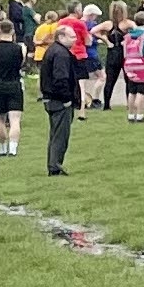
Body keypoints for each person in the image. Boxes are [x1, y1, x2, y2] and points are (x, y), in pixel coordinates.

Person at [36, 10, 89, 175]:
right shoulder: (61, 54)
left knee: (55, 133)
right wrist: (67, 99)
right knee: (60, 134)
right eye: (72, 37)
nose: (75, 39)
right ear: (61, 37)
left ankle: (53, 164)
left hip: (51, 98)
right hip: (59, 100)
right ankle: (55, 166)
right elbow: (61, 78)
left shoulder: (54, 50)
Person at [0, 8, 26, 159]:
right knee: (15, 120)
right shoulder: (20, 48)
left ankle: (2, 149)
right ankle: (13, 149)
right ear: (13, 31)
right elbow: (21, 63)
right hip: (14, 83)